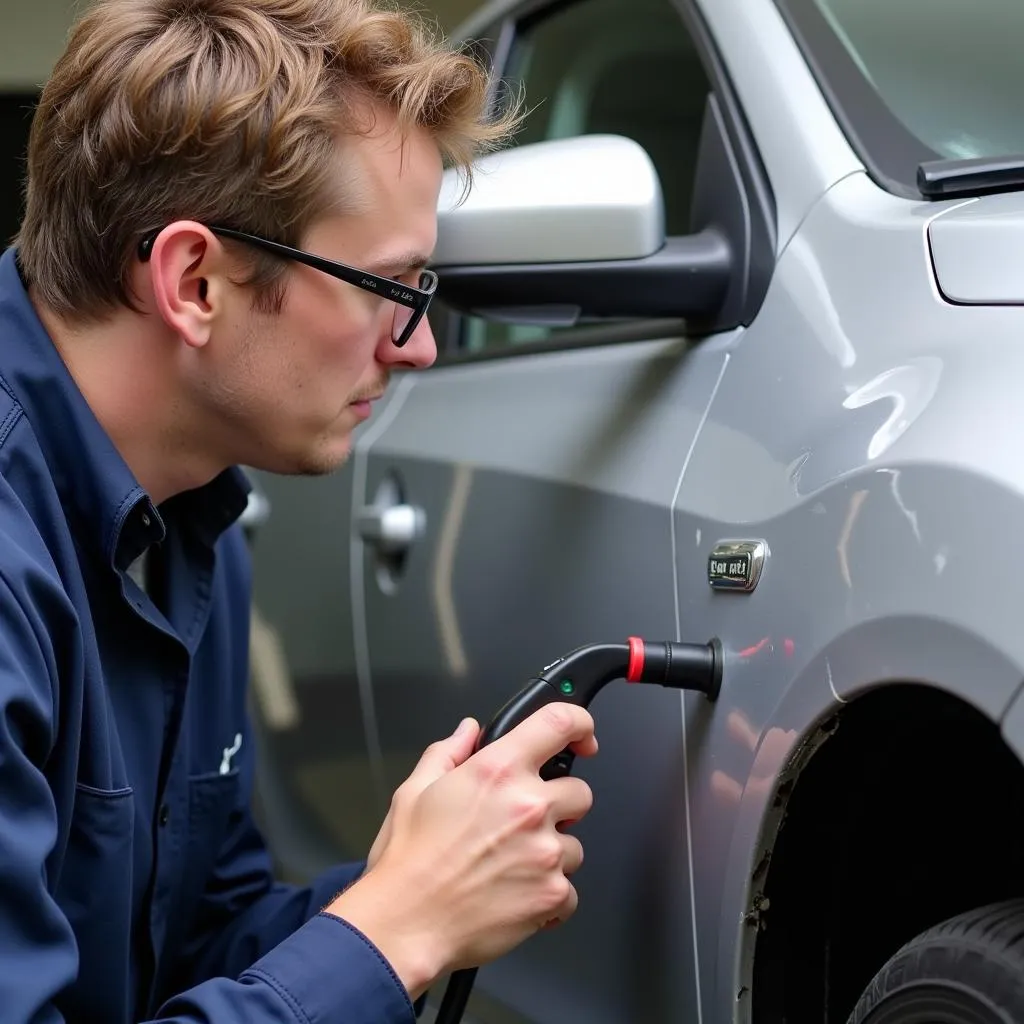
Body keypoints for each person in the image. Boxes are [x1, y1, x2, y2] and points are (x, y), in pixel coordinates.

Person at [0, 0, 600, 1020]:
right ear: (195, 281)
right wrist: (392, 929)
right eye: (389, 287)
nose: (419, 346)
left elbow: (190, 947)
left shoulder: (187, 519)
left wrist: (418, 885)